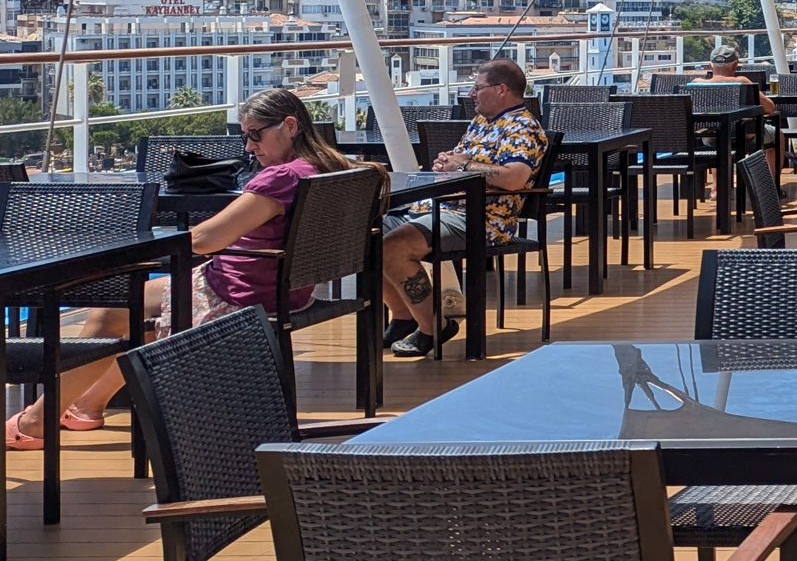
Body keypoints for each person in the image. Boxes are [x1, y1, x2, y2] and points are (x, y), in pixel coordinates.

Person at [5, 89, 371, 450]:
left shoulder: (281, 178)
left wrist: (158, 241)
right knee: (137, 320)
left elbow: (209, 238)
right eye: (246, 136)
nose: (248, 147)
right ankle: (87, 405)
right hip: (288, 290)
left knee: (111, 312)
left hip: (241, 291)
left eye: (255, 134)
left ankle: (37, 420)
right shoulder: (331, 167)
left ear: (289, 126)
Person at [381, 59, 546, 356]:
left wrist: (463, 164)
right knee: (363, 236)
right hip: (441, 207)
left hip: (481, 219)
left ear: (501, 90)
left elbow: (515, 178)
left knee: (394, 247)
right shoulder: (481, 123)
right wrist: (448, 164)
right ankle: (405, 317)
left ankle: (434, 327)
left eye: (477, 87)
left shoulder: (523, 127)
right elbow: (461, 163)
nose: (471, 94)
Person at [694, 43, 782, 176]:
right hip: (746, 136)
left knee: (717, 136)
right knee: (778, 135)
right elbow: (770, 108)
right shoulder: (742, 81)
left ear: (710, 65)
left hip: (711, 138)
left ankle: (716, 187)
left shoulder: (696, 84)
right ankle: (769, 186)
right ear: (735, 66)